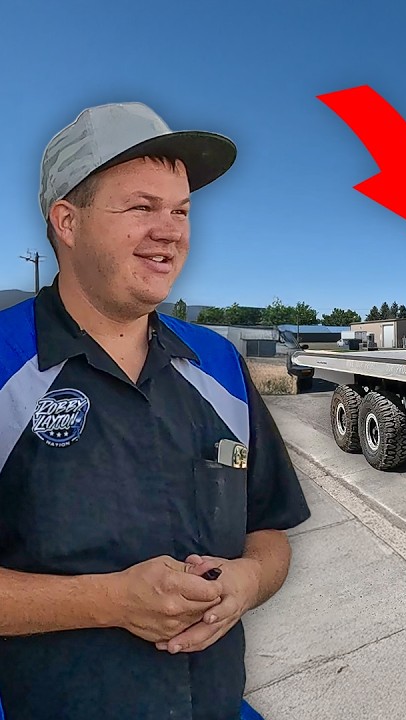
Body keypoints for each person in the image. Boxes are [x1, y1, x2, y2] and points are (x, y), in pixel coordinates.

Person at [0, 102, 310, 719]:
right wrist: (109, 602)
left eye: (181, 211)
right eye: (141, 207)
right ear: (68, 221)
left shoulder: (218, 364)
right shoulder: (6, 367)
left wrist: (248, 582)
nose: (170, 231)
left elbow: (269, 532)